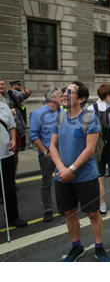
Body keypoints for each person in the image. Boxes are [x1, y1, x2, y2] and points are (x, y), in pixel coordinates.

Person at [49, 81, 110, 262]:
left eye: (70, 92)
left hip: (85, 176)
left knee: (93, 213)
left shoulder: (89, 118)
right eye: (64, 91)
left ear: (81, 98)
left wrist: (72, 169)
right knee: (69, 213)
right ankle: (76, 247)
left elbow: (90, 149)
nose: (65, 94)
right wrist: (62, 169)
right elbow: (52, 145)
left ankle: (99, 248)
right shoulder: (58, 118)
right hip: (62, 176)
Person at [87, 84, 110, 216]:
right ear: (108, 96)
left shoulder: (90, 108)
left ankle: (102, 207)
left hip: (96, 146)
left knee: (100, 177)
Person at [29, 87, 64, 222]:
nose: (63, 98)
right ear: (52, 98)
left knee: (62, 180)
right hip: (47, 155)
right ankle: (48, 209)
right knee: (47, 182)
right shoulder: (38, 114)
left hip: (62, 153)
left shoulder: (64, 113)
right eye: (61, 96)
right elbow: (33, 136)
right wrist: (45, 151)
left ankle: (63, 206)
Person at [0, 94, 27, 228]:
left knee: (9, 187)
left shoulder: (4, 107)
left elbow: (11, 127)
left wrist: (13, 140)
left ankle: (13, 217)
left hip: (5, 153)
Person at [0, 80, 31, 152]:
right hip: (2, 127)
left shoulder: (11, 93)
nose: (0, 86)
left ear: (6, 86)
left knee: (15, 151)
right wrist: (9, 111)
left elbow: (22, 96)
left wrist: (26, 93)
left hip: (15, 125)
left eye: (2, 84)